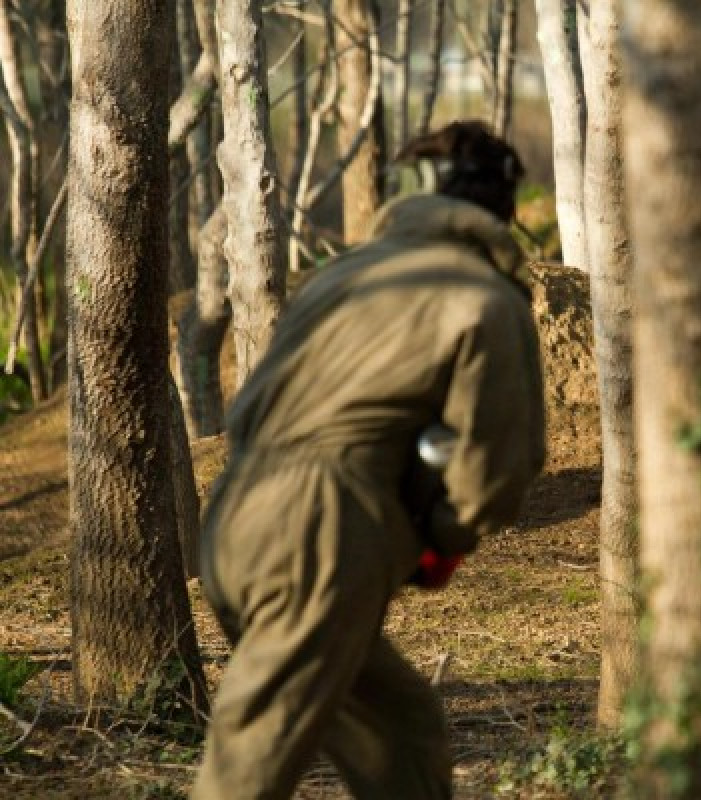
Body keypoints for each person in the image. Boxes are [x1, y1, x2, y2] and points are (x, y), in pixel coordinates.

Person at [192, 120, 545, 800]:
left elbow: (248, 409)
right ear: (502, 216)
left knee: (400, 732)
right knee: (249, 764)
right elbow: (495, 473)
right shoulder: (484, 298)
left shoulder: (343, 276)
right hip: (316, 532)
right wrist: (440, 534)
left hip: (232, 514)